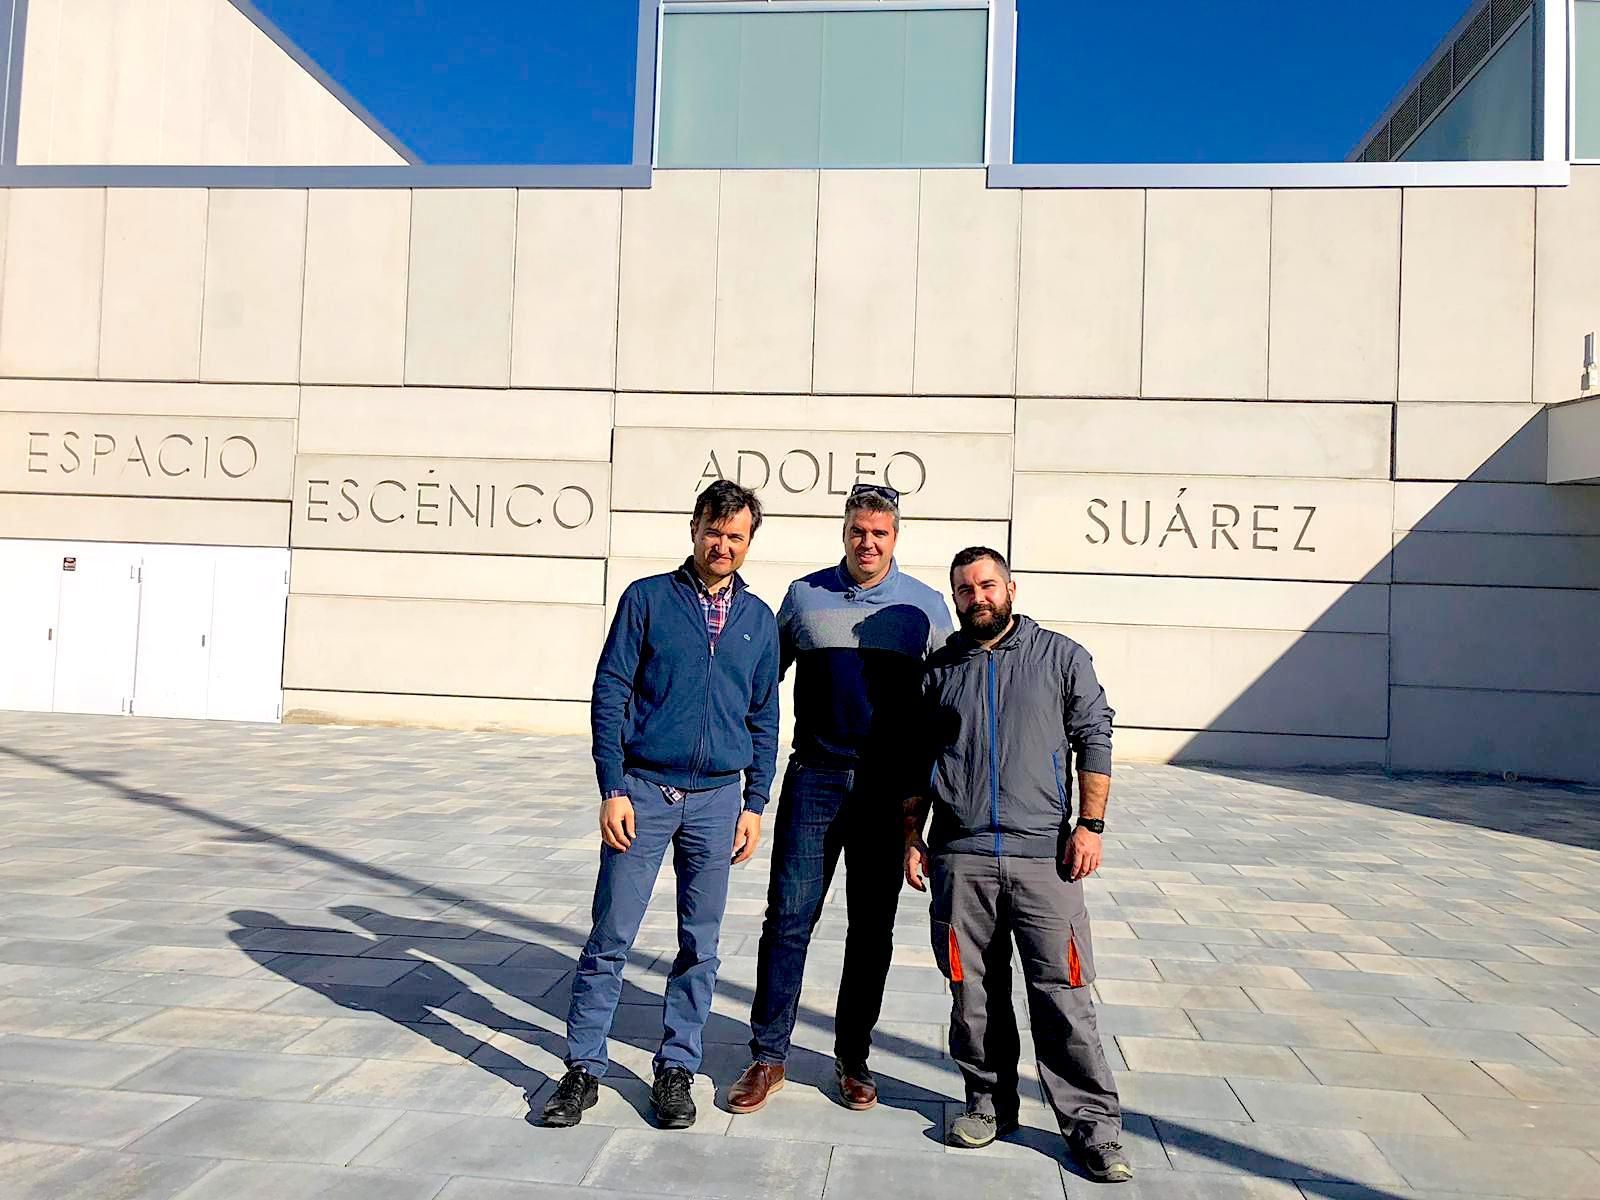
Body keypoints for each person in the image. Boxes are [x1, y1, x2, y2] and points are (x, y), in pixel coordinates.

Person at [543, 480, 780, 1131]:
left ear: (749, 541)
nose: (722, 545)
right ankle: (583, 1067)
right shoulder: (646, 599)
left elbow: (764, 716)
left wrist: (755, 802)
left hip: (718, 802)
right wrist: (612, 787)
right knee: (611, 936)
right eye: (714, 531)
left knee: (700, 944)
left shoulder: (758, 620)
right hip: (644, 793)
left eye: (735, 536)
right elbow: (610, 691)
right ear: (694, 529)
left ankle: (676, 1066)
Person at [904, 546, 1132, 1184]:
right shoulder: (939, 669)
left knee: (1063, 996)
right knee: (972, 992)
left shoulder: (1061, 657)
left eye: (986, 585)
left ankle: (1093, 1129)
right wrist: (913, 836)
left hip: (1044, 859)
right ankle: (987, 1103)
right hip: (961, 856)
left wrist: (1090, 825)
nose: (976, 597)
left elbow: (1094, 737)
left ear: (1010, 588)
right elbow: (918, 759)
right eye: (964, 589)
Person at [728, 482, 953, 1115]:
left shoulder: (926, 607)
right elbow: (759, 681)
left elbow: (946, 701)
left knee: (872, 929)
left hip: (887, 790)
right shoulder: (804, 596)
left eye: (880, 533)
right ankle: (768, 1056)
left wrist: (928, 802)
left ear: (896, 537)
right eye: (858, 530)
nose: (867, 543)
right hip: (815, 780)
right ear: (844, 532)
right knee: (787, 920)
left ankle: (853, 1057)